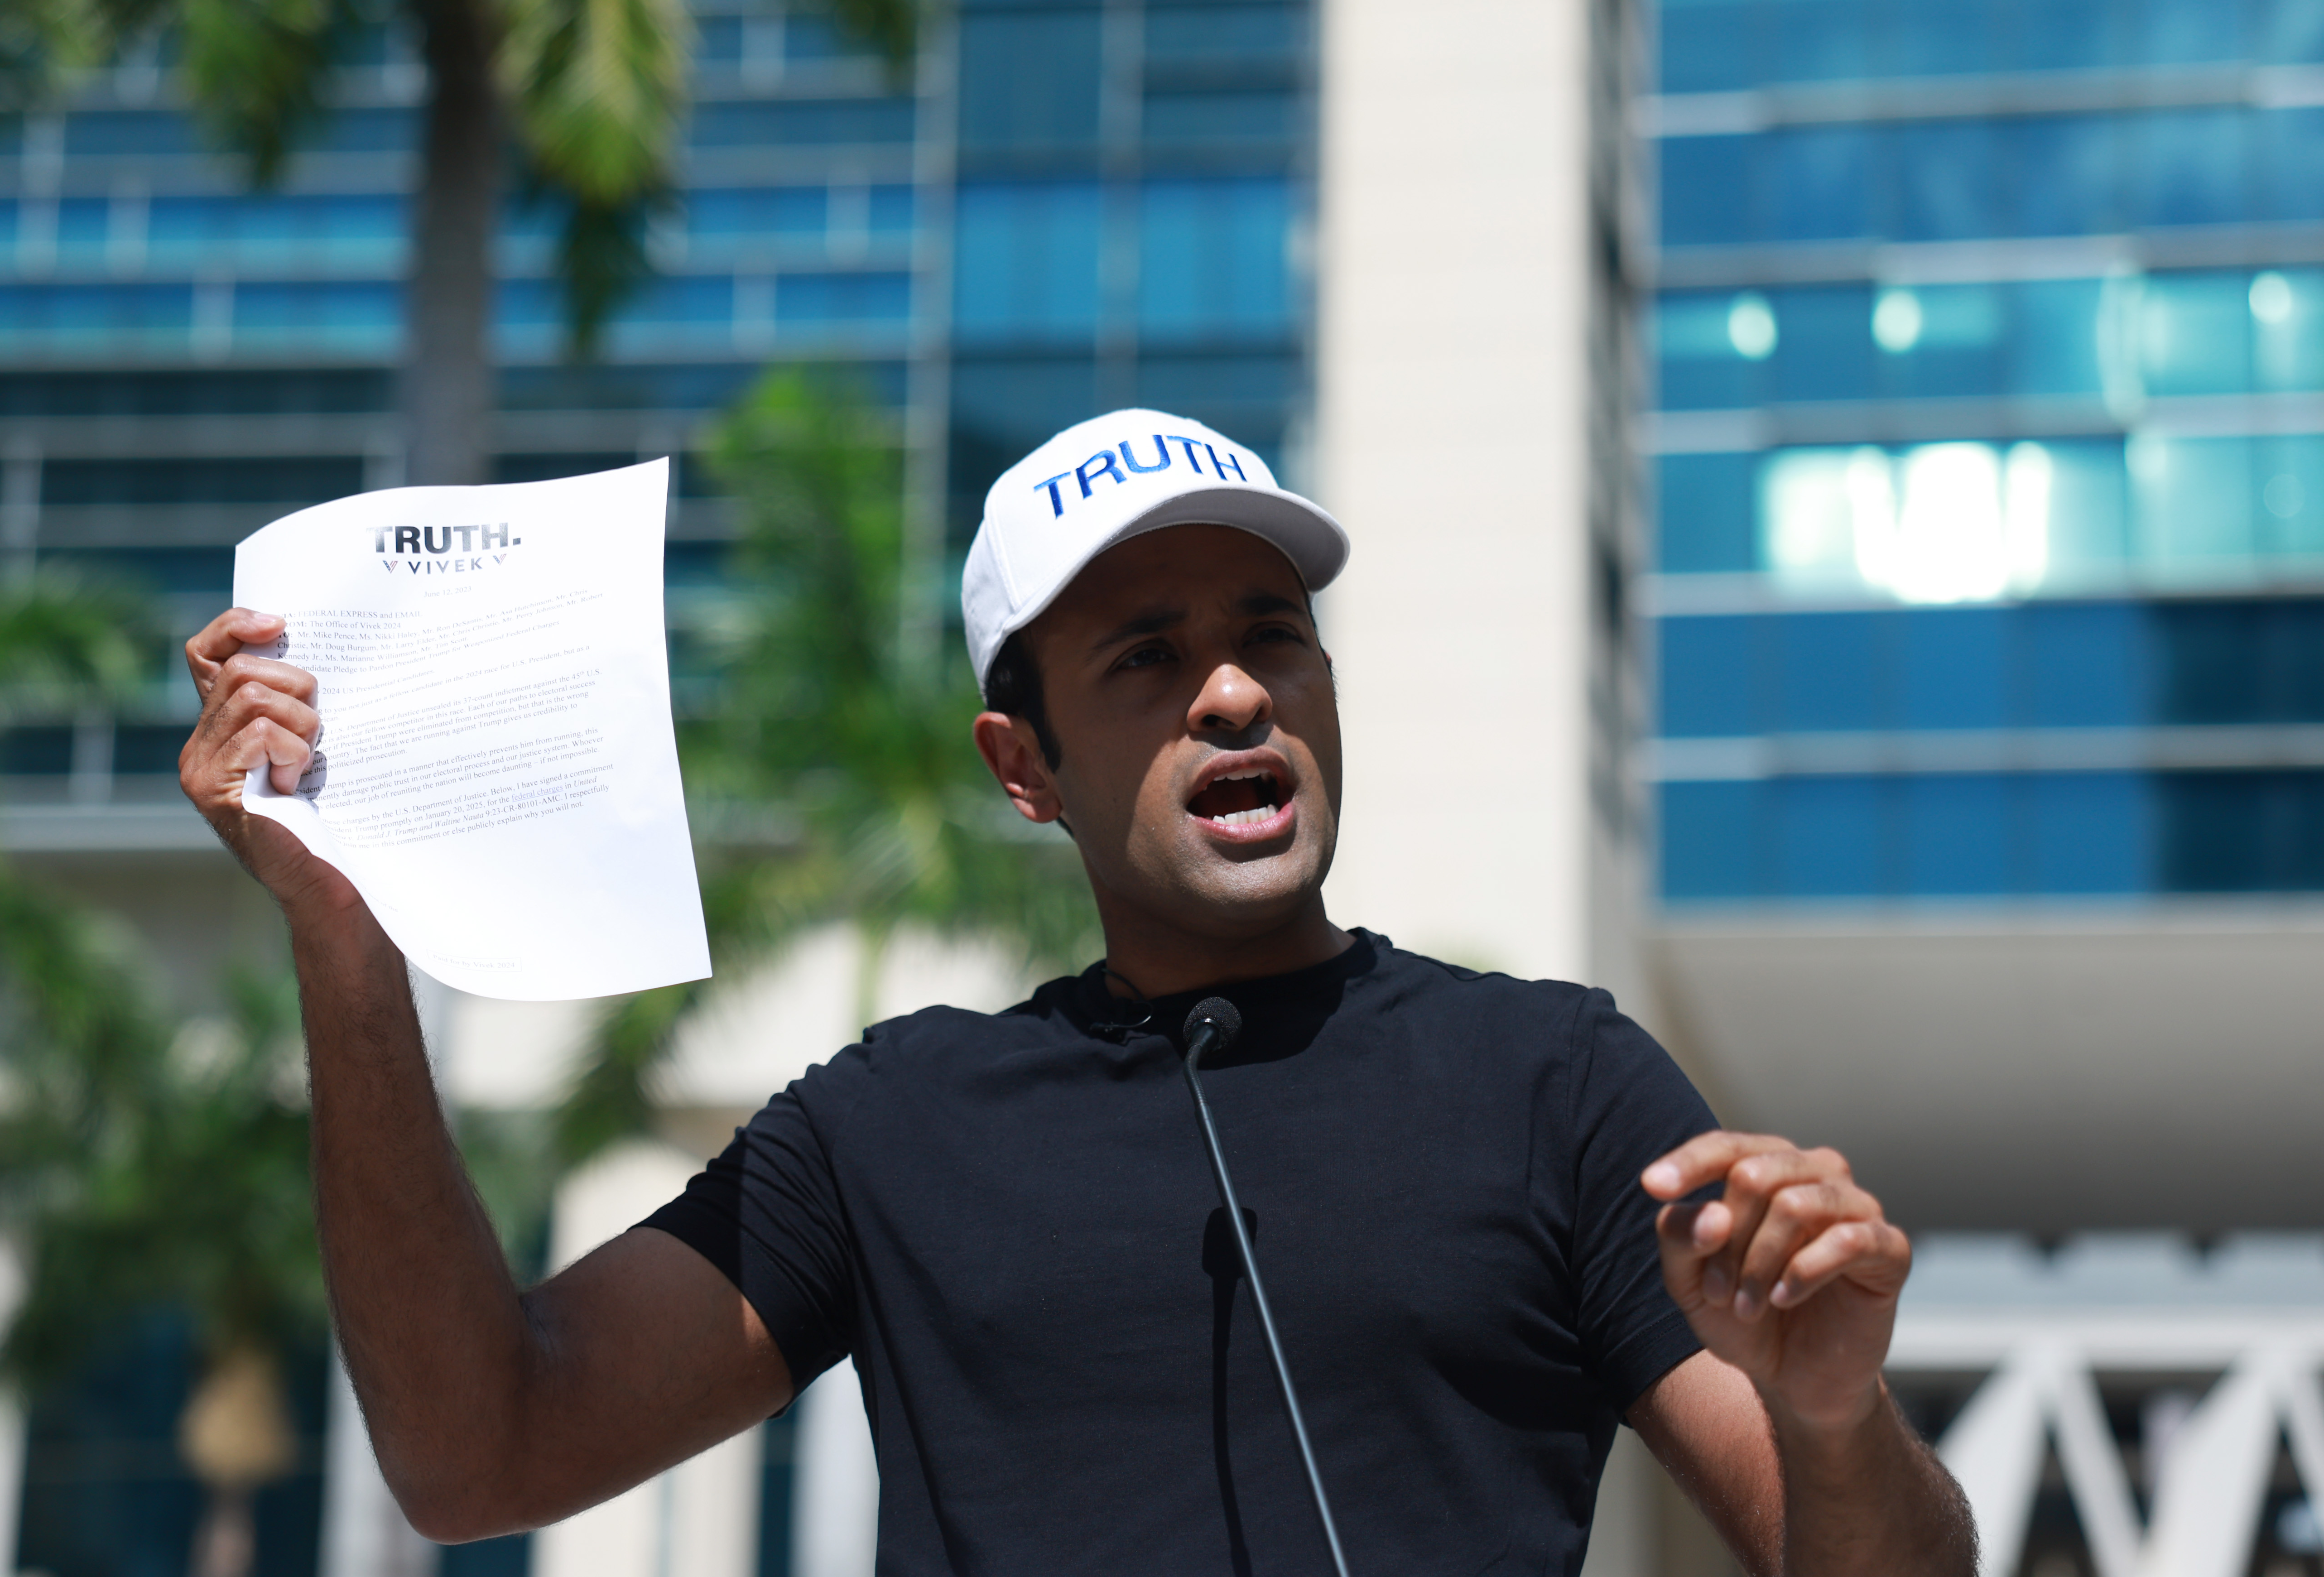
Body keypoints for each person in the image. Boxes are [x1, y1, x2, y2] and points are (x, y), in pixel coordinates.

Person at [179, 409, 1975, 1573]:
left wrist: (1833, 1412)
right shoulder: (886, 1127)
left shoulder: (1556, 1082)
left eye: (1270, 637)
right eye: (1147, 657)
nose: (1232, 696)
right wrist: (349, 954)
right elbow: (477, 1452)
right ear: (1020, 766)